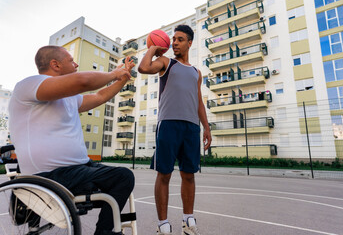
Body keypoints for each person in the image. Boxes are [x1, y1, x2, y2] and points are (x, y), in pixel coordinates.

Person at [8, 45, 135, 235]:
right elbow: (83, 81)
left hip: (80, 169)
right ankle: (105, 232)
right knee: (122, 177)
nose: (76, 64)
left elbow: (99, 95)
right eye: (71, 61)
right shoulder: (29, 85)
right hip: (50, 175)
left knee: (123, 178)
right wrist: (114, 73)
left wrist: (123, 78)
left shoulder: (69, 98)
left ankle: (105, 230)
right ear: (55, 64)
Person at [138, 25, 212, 235]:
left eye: (180, 39)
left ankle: (188, 221)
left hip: (191, 127)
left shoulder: (196, 72)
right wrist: (153, 47)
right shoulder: (165, 62)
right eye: (173, 39)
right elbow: (143, 68)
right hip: (168, 124)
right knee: (165, 174)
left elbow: (198, 101)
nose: (175, 43)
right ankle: (163, 225)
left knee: (189, 175)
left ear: (190, 42)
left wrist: (206, 127)